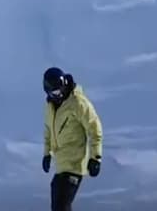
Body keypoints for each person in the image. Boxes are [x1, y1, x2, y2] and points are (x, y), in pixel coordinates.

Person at [42, 67, 103, 211]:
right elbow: (48, 131)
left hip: (74, 164)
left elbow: (95, 127)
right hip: (61, 165)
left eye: (61, 89)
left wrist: (96, 157)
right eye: (55, 92)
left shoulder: (77, 102)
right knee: (58, 204)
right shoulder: (50, 106)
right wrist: (46, 154)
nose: (60, 94)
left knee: (61, 206)